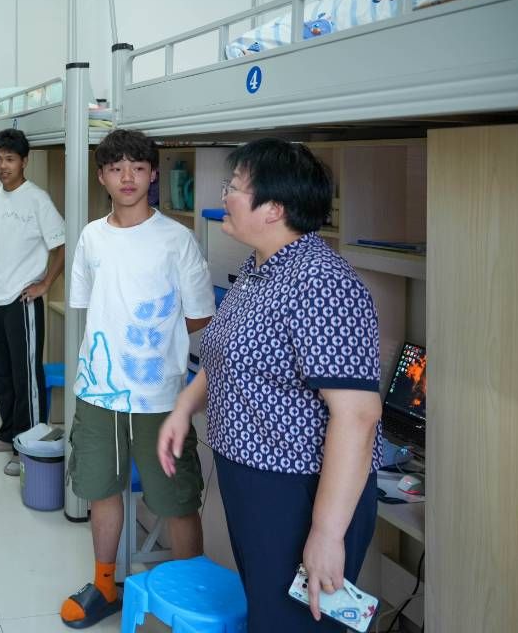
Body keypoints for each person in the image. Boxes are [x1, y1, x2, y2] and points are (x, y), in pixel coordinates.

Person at [158, 138, 382, 632]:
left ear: (274, 208)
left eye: (234, 187)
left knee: (293, 623)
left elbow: (358, 415)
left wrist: (326, 533)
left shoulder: (322, 284)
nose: (224, 196)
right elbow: (226, 358)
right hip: (254, 480)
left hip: (298, 490)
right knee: (270, 614)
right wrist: (185, 408)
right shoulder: (260, 270)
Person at [60, 129, 215, 628]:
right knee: (101, 489)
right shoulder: (91, 237)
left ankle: (192, 601)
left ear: (153, 175)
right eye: (116, 168)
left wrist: (154, 337)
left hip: (160, 396)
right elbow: (88, 306)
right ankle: (104, 585)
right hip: (98, 391)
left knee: (177, 500)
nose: (127, 177)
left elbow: (200, 316)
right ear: (102, 177)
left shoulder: (177, 240)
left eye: (138, 167)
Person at [0, 128, 64, 476]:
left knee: (26, 376)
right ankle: (9, 433)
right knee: (2, 373)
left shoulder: (37, 199)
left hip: (22, 301)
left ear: (24, 161)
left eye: (10, 159)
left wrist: (45, 284)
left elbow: (61, 246)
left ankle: (28, 445)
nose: (3, 166)